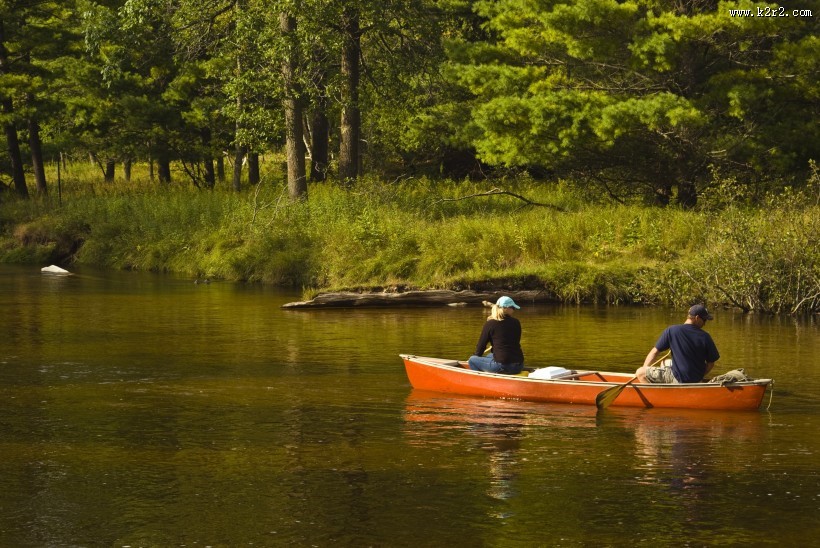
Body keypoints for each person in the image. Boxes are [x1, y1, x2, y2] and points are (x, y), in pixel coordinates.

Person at [636, 304, 720, 384]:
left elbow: (654, 352)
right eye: (704, 320)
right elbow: (711, 364)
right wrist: (698, 377)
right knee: (665, 362)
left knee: (640, 372)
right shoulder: (705, 336)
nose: (704, 323)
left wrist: (645, 369)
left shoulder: (672, 330)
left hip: (678, 379)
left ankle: (658, 392)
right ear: (697, 318)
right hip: (697, 379)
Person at [467, 296, 525, 374]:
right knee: (489, 355)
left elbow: (481, 346)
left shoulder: (490, 324)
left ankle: (482, 379)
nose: (514, 310)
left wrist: (475, 356)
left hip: (504, 366)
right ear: (506, 308)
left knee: (472, 360)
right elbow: (512, 342)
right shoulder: (516, 322)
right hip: (519, 365)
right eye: (513, 308)